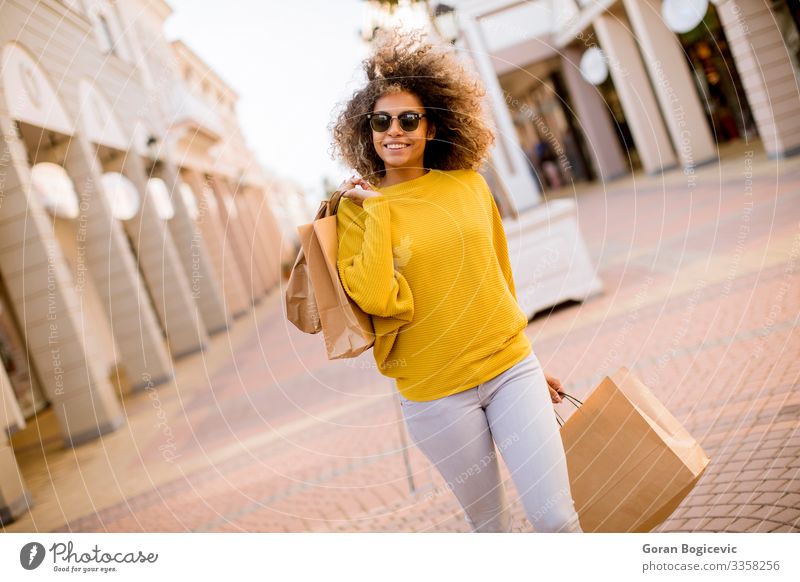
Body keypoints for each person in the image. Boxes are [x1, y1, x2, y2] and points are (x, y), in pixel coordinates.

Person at [329, 31, 582, 533]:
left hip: (511, 370)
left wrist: (532, 359)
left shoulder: (469, 185)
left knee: (556, 519)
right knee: (491, 528)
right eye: (381, 121)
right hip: (435, 394)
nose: (393, 131)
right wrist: (377, 214)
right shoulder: (355, 213)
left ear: (433, 124)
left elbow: (499, 280)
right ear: (367, 129)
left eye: (408, 119)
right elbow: (377, 298)